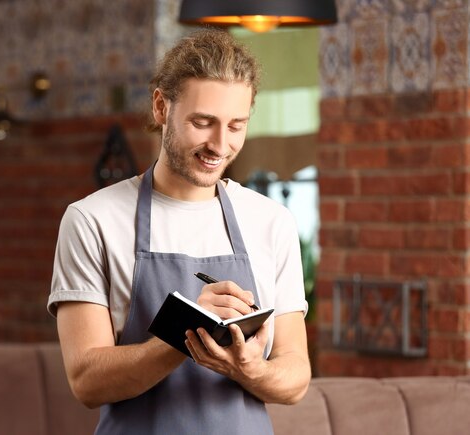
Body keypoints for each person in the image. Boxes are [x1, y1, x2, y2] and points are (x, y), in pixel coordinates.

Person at [48, 28, 311, 434]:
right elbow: (86, 380)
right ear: (160, 107)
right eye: (203, 123)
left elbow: (295, 378)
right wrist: (188, 330)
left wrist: (250, 368)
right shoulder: (92, 221)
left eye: (236, 125)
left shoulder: (270, 221)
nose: (220, 145)